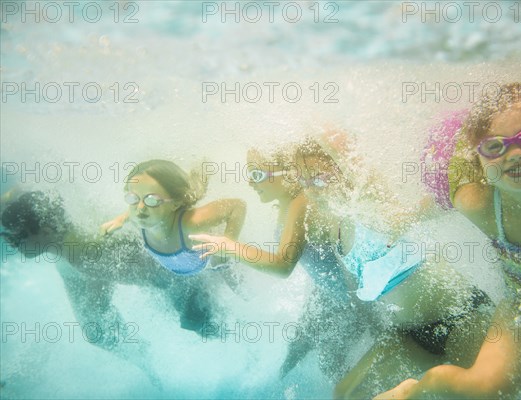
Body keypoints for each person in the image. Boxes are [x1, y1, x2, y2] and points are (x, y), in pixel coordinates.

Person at [377, 83, 521, 399]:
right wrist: (401, 220)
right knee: (479, 390)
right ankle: (411, 392)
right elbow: (441, 200)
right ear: (480, 158)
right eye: (496, 147)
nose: (516, 153)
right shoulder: (480, 205)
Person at [291, 132, 494, 399]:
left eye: (318, 178)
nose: (312, 188)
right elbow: (359, 291)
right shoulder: (333, 228)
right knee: (346, 394)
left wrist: (309, 118)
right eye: (304, 181)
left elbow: (340, 146)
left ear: (341, 171)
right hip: (410, 334)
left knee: (475, 394)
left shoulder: (367, 198)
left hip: (461, 317)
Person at [189, 145, 369, 382]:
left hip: (352, 302)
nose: (250, 183)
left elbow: (283, 265)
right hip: (326, 294)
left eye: (257, 174)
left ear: (289, 173)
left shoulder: (301, 203)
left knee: (330, 363)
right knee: (293, 352)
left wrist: (229, 246)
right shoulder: (287, 203)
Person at [1, 191, 165, 384]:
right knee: (94, 333)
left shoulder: (80, 254)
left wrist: (97, 302)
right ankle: (143, 359)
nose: (13, 244)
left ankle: (148, 362)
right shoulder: (62, 249)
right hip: (82, 260)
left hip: (161, 269)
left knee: (95, 324)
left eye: (18, 238)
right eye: (9, 238)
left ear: (45, 232)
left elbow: (111, 268)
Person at [99, 159, 247, 333]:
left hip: (216, 265)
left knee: (245, 296)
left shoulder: (189, 224)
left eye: (152, 200)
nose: (139, 208)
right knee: (190, 322)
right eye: (133, 198)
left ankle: (205, 164)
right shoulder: (141, 217)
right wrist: (120, 219)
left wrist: (227, 245)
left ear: (175, 204)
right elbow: (138, 207)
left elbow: (237, 206)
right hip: (186, 271)